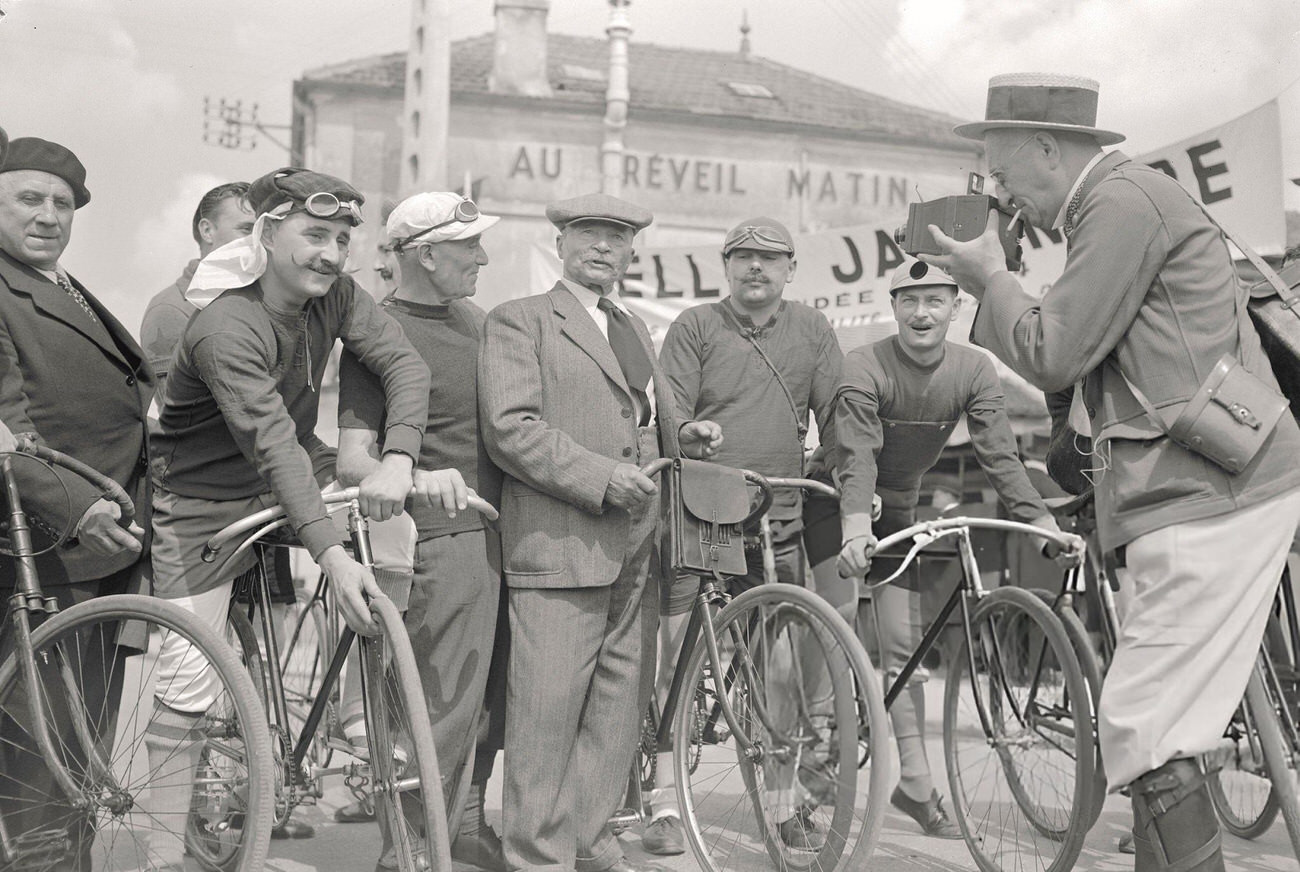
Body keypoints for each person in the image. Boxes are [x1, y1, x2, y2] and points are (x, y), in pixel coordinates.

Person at [925, 72, 1300, 872]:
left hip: (1206, 493)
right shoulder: (1124, 205)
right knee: (1159, 727)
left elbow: (1054, 350)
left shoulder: (1119, 205)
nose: (998, 193)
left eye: (999, 173)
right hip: (1198, 486)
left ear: (1048, 150)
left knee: (1142, 722)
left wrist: (988, 276)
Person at [146, 167, 431, 868]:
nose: (330, 254)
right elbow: (270, 444)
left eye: (341, 238)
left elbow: (406, 365)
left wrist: (399, 458)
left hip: (295, 464)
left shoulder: (336, 294)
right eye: (314, 235)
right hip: (202, 499)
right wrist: (330, 556)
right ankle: (155, 857)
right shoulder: (224, 325)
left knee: (399, 522)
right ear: (268, 234)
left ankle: (369, 707)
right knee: (186, 680)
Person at [478, 193, 722, 872]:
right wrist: (602, 477)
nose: (602, 248)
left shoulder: (633, 327)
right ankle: (536, 855)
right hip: (560, 541)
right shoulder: (519, 321)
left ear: (631, 251)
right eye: (587, 234)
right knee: (546, 713)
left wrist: (683, 436)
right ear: (559, 243)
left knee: (616, 710)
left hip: (637, 544)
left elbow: (636, 417)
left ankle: (583, 840)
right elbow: (511, 429)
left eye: (617, 238)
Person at [832, 259, 1073, 838]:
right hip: (836, 501)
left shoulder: (972, 367)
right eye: (909, 301)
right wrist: (851, 529)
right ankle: (820, 788)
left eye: (935, 301)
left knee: (903, 651)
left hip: (900, 507)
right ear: (892, 308)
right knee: (830, 643)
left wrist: (1041, 523)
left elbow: (999, 455)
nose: (921, 313)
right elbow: (856, 454)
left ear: (955, 307)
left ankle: (913, 785)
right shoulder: (864, 363)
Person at [647, 216, 842, 854]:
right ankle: (662, 800)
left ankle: (783, 802)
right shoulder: (696, 326)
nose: (755, 268)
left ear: (790, 268)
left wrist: (833, 463)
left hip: (776, 517)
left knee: (777, 666)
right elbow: (669, 409)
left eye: (769, 258)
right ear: (725, 267)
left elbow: (838, 412)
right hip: (700, 510)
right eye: (742, 257)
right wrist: (688, 436)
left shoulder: (812, 329)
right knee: (676, 652)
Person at [337, 191, 507, 871]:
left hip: (502, 534)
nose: (484, 258)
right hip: (439, 539)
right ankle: (404, 848)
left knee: (489, 702)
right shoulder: (379, 330)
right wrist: (416, 477)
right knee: (434, 706)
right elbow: (354, 457)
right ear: (426, 253)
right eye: (469, 247)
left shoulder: (480, 321)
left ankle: (463, 823)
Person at [0, 135, 153, 865]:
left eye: (63, 203)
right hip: (41, 550)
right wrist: (78, 506)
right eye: (31, 198)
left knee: (80, 758)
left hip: (95, 558)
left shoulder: (63, 286)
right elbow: (9, 431)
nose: (49, 215)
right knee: (41, 764)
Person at [140, 181, 254, 388]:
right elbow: (178, 412)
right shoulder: (170, 309)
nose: (258, 241)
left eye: (263, 230)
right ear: (207, 231)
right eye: (246, 229)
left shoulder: (258, 300)